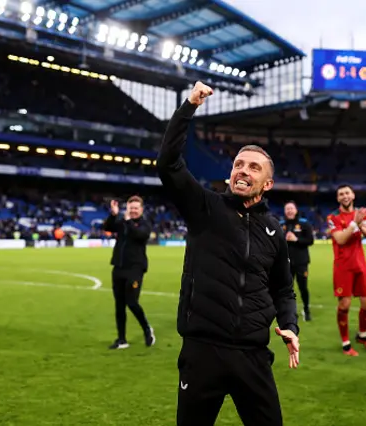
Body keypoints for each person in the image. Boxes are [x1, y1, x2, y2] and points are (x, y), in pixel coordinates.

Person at [157, 82, 300, 425]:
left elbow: (282, 289)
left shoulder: (273, 231)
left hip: (252, 355)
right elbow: (168, 164)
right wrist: (189, 106)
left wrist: (290, 325)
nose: (243, 171)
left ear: (267, 184)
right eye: (238, 164)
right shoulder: (205, 207)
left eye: (253, 167)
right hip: (202, 351)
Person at [326, 184, 366, 356]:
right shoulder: (332, 217)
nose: (344, 196)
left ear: (353, 195)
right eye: (341, 194)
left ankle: (362, 335)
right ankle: (346, 343)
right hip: (343, 267)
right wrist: (354, 223)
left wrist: (360, 223)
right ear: (337, 198)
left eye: (347, 193)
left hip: (360, 265)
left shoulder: (363, 213)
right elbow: (340, 239)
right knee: (344, 306)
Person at [103, 196, 155, 350]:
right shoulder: (122, 222)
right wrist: (113, 215)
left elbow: (139, 235)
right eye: (130, 208)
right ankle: (122, 339)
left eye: (135, 208)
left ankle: (147, 329)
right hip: (118, 267)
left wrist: (127, 221)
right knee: (119, 305)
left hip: (135, 269)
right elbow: (107, 227)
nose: (133, 211)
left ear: (141, 210)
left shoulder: (144, 224)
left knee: (131, 302)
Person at [280, 201, 315, 321]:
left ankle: (306, 310)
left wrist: (296, 239)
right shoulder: (280, 225)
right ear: (284, 211)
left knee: (303, 287)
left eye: (291, 208)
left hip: (301, 262)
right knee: (287, 289)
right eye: (287, 209)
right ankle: (290, 311)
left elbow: (310, 241)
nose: (289, 211)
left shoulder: (304, 224)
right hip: (285, 263)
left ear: (296, 210)